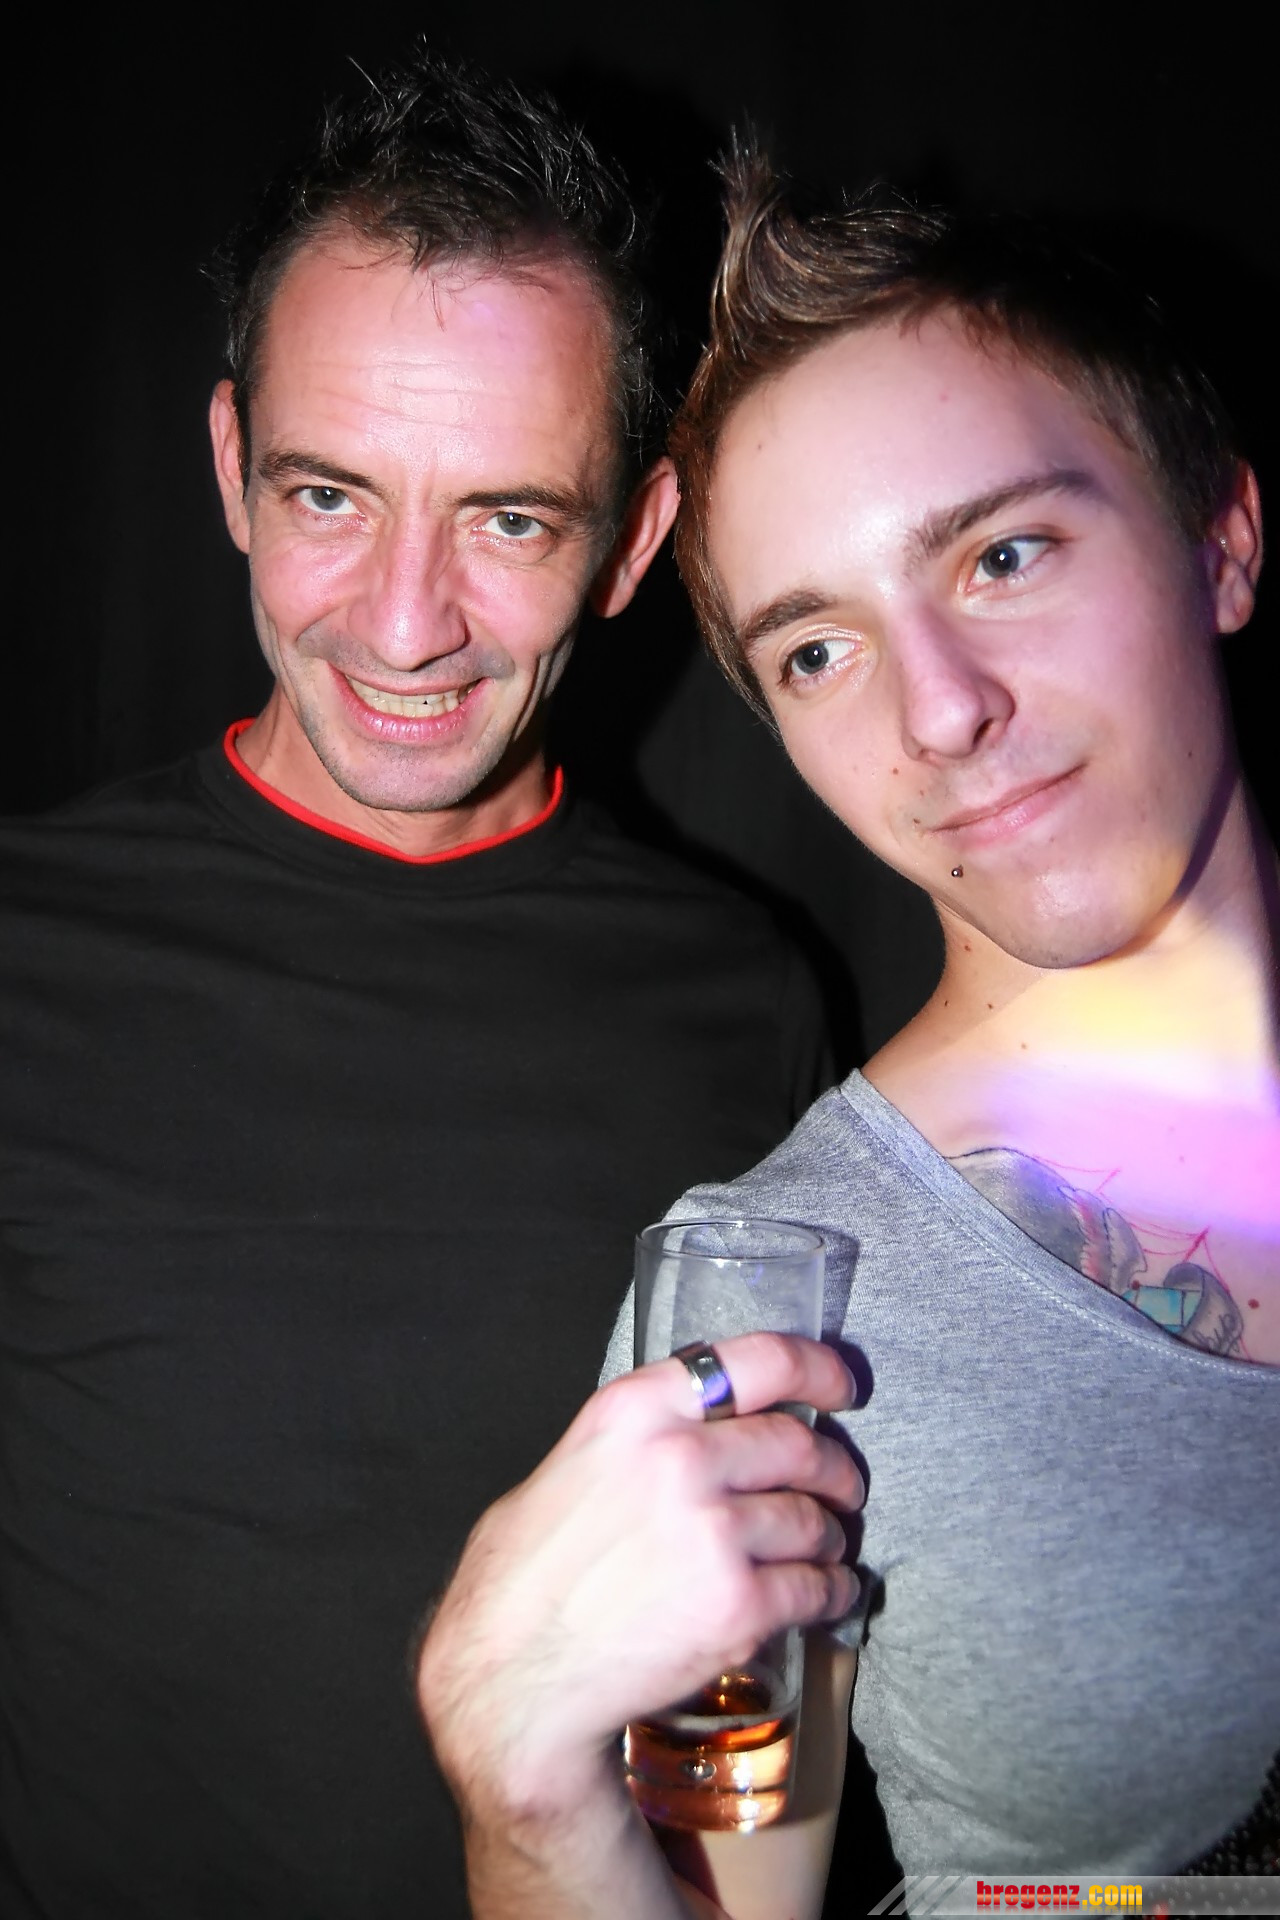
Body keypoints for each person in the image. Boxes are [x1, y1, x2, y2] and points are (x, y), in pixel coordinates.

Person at [0, 74, 834, 1919]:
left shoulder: (749, 1000)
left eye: (510, 521)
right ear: (231, 465)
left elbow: (764, 1658)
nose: (403, 624)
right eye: (330, 495)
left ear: (633, 542)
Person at [417, 152, 1280, 1917]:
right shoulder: (767, 1310)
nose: (940, 711)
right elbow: (713, 1887)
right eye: (818, 650)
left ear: (1221, 539)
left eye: (1005, 554)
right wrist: (527, 1799)